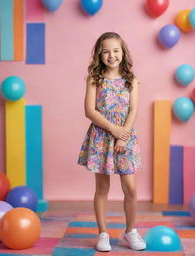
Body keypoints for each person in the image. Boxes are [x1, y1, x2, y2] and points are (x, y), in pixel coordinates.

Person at [77, 32, 146, 252]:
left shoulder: (131, 79)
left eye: (116, 50)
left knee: (131, 188)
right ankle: (103, 234)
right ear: (99, 54)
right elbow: (89, 110)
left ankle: (130, 231)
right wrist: (113, 129)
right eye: (106, 51)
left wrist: (122, 135)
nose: (111, 55)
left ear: (123, 52)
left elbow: (133, 109)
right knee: (102, 188)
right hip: (101, 136)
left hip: (125, 137)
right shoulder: (94, 79)